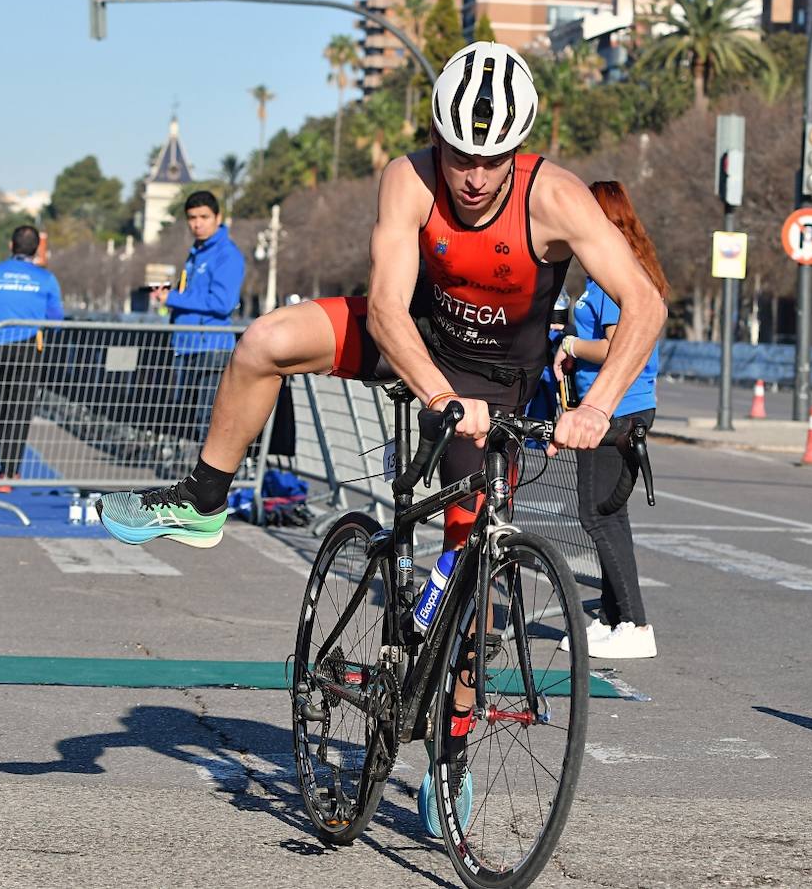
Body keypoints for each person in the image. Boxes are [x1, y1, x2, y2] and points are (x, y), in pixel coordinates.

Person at [95, 41, 664, 826]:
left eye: (490, 159)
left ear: (518, 150)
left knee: (476, 568)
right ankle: (202, 500)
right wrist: (435, 391)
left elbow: (645, 303)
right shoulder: (410, 179)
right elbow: (391, 310)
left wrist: (595, 406)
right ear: (437, 138)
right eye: (458, 152)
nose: (471, 175)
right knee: (264, 341)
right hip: (414, 344)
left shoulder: (556, 198)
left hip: (497, 381)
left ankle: (452, 753)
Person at [553, 181, 668, 660]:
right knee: (609, 515)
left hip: (616, 410)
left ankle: (636, 625)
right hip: (616, 407)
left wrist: (572, 347)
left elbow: (620, 346)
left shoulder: (611, 284)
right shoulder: (617, 277)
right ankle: (617, 616)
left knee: (596, 516)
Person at [0, 225, 64, 493]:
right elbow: (56, 321)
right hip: (29, 349)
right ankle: (10, 470)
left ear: (10, 246)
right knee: (21, 410)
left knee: (3, 408)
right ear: (36, 249)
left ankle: (5, 469)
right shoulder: (46, 278)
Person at [158, 190, 245, 442]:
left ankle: (209, 480)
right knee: (185, 417)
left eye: (204, 216)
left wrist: (173, 298)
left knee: (206, 419)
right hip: (186, 347)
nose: (197, 223)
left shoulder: (227, 254)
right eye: (192, 217)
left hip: (211, 348)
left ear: (218, 217)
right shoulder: (196, 253)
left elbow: (223, 302)